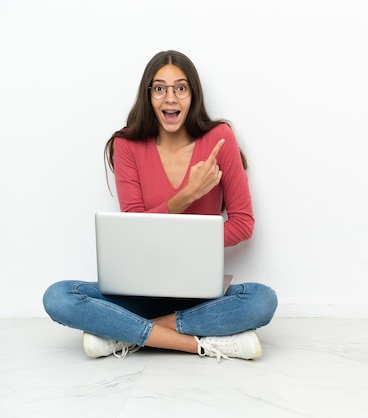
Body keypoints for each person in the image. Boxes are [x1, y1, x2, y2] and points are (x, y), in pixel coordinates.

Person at [43, 50, 277, 361]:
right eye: (159, 88)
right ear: (148, 95)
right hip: (139, 291)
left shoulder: (219, 139)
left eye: (181, 88)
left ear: (193, 95)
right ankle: (201, 344)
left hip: (199, 295)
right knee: (59, 297)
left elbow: (243, 223)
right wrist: (189, 194)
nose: (171, 98)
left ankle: (124, 334)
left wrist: (183, 244)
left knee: (261, 301)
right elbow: (134, 227)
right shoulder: (126, 144)